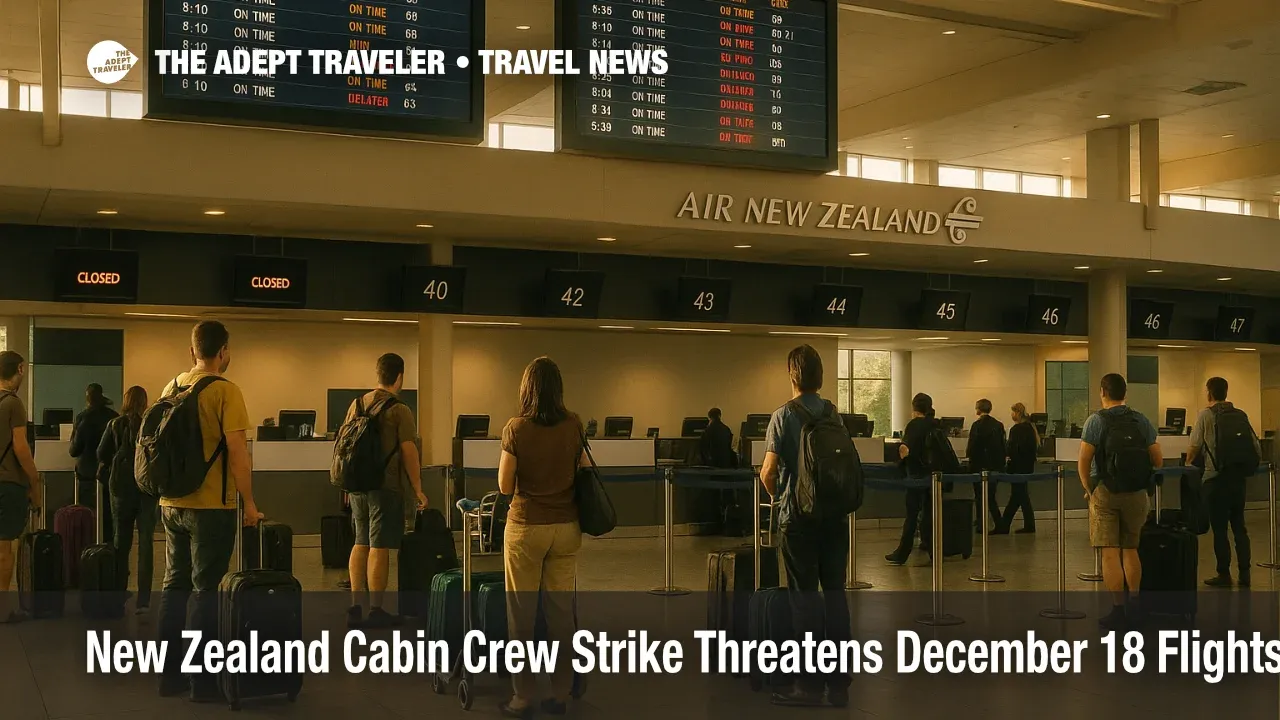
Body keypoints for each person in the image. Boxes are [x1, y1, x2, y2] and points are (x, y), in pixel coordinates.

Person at [157, 321, 262, 702]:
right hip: (209, 507)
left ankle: (169, 677)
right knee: (205, 591)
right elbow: (238, 454)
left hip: (170, 504)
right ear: (224, 352)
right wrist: (248, 503)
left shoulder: (171, 387)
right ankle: (202, 684)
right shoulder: (225, 391)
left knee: (174, 585)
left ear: (192, 351)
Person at [760, 345, 851, 708]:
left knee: (804, 600)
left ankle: (809, 686)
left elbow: (768, 471)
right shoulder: (833, 413)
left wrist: (779, 496)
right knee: (835, 595)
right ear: (821, 376)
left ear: (791, 374)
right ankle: (840, 685)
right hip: (834, 518)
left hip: (798, 520)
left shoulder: (783, 416)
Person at [497, 357, 587, 718]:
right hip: (566, 528)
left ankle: (523, 697)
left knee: (521, 617)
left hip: (526, 529)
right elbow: (583, 472)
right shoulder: (574, 424)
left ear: (526, 389)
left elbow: (505, 486)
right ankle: (561, 694)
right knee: (562, 616)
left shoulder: (515, 428)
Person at [344, 353, 425, 629]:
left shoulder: (356, 405)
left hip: (357, 487)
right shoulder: (399, 409)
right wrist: (418, 488)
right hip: (385, 487)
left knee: (360, 540)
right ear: (399, 377)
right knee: (380, 545)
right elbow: (409, 451)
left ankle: (356, 605)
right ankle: (376, 609)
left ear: (378, 374)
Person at [1078, 373, 1161, 631]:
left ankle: (1117, 610)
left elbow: (1083, 460)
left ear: (1103, 392)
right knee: (1131, 548)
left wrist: (1089, 489)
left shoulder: (1096, 421)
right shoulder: (1140, 420)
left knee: (1110, 552)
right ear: (1125, 393)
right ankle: (1135, 605)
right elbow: (1157, 459)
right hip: (1136, 493)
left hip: (1106, 492)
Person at [1186, 377, 1261, 588]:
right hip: (1237, 479)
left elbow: (1194, 445)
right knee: (1239, 527)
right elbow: (1256, 446)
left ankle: (1224, 573)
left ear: (1209, 393)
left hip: (1215, 479)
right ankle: (1245, 574)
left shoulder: (1205, 415)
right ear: (1226, 392)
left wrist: (1188, 462)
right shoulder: (1240, 415)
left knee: (1219, 529)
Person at [97, 385, 155, 613]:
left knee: (121, 543)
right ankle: (144, 601)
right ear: (144, 402)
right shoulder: (149, 424)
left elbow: (101, 453)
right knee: (147, 544)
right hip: (146, 491)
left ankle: (119, 596)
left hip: (120, 489)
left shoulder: (115, 424)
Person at [0, 351, 41, 623]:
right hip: (7, 484)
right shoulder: (13, 403)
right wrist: (34, 480)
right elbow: (21, 447)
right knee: (4, 550)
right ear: (20, 369)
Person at [885, 393, 938, 566]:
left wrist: (901, 463)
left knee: (912, 514)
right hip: (934, 475)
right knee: (931, 513)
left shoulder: (914, 425)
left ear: (914, 407)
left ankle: (903, 552)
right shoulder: (936, 424)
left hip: (916, 474)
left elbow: (904, 449)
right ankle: (934, 550)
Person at [69, 383, 118, 546]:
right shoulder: (114, 417)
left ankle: (87, 550)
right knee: (108, 518)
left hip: (86, 474)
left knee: (87, 515)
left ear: (87, 397)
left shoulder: (83, 417)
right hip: (108, 474)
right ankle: (108, 552)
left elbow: (74, 450)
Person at [996, 403, 1038, 534]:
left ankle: (1005, 525)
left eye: (1013, 412)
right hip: (1027, 466)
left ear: (1017, 413)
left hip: (1017, 467)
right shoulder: (1031, 428)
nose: (1011, 415)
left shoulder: (1016, 429)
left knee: (1019, 495)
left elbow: (1011, 449)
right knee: (1020, 495)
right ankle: (1013, 524)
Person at [965, 398, 1006, 532]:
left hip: (978, 466)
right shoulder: (998, 425)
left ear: (978, 409)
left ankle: (981, 523)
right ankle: (998, 522)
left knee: (979, 496)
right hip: (995, 466)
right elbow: (1002, 446)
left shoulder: (976, 426)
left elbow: (972, 447)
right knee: (991, 496)